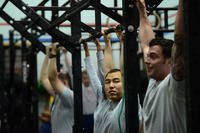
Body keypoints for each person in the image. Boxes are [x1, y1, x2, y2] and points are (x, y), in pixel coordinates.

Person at [136, 0, 186, 132]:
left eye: (153, 57)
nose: (146, 61)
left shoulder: (174, 86)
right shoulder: (153, 81)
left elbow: (180, 40)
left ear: (170, 61)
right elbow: (146, 43)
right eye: (148, 56)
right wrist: (142, 11)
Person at [82, 38, 126, 133]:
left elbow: (112, 70)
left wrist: (122, 43)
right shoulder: (103, 98)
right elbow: (94, 75)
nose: (111, 85)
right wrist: (88, 50)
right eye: (108, 82)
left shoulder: (126, 103)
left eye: (116, 81)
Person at [40, 44, 74, 133]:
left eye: (56, 84)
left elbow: (52, 78)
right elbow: (44, 79)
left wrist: (53, 54)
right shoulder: (57, 95)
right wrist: (48, 55)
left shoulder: (69, 96)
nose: (53, 86)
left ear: (66, 83)